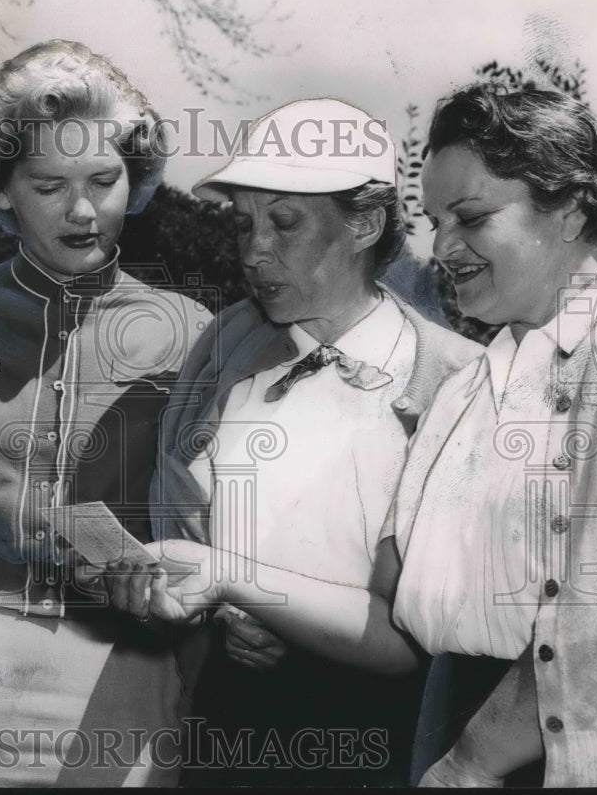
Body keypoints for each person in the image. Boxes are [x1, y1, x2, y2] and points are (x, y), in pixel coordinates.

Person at [109, 83, 597, 788]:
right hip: (411, 733)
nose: (444, 246)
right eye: (440, 220)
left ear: (571, 212)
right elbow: (405, 614)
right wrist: (232, 593)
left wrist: (470, 763)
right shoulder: (478, 387)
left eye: (473, 218)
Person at [0, 39, 212, 787]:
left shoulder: (190, 329)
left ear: (139, 178)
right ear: (2, 189)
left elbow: (212, 523)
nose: (84, 210)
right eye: (49, 184)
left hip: (121, 673)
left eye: (104, 179)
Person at [144, 98, 480, 786]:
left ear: (365, 222)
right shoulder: (225, 344)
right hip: (223, 721)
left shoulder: (456, 383)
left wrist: (253, 592)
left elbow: (425, 631)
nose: (253, 250)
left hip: (377, 738)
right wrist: (223, 611)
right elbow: (175, 505)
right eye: (244, 223)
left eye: (285, 222)